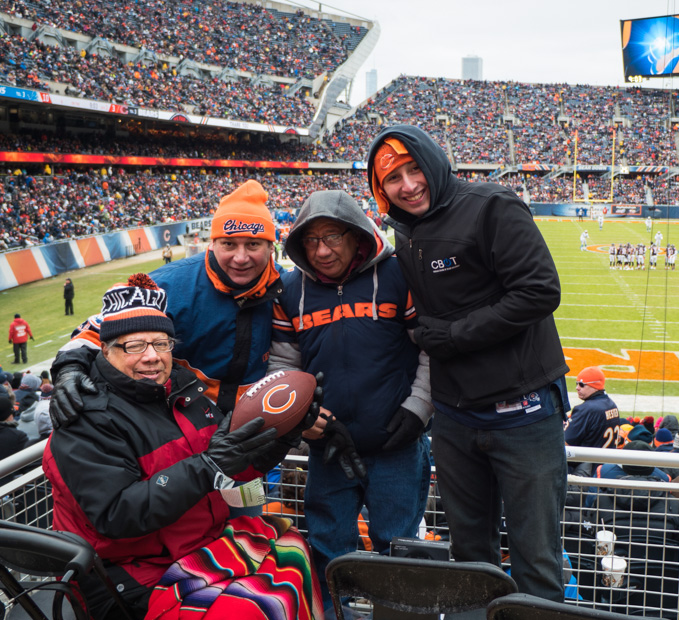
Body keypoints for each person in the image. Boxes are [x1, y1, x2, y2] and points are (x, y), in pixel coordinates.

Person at [367, 124, 570, 602]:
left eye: (414, 169)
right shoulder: (404, 228)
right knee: (470, 556)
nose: (409, 185)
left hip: (522, 412)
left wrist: (455, 335)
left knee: (536, 557)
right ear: (381, 189)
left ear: (434, 162)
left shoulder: (491, 206)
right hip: (456, 418)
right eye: (393, 178)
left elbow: (540, 291)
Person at [42, 273, 320, 619]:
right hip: (129, 574)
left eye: (161, 343)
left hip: (197, 544)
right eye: (134, 345)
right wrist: (208, 467)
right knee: (249, 610)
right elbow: (117, 515)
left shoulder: (185, 391)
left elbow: (231, 466)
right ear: (106, 350)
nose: (151, 357)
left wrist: (285, 436)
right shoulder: (84, 418)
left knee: (295, 549)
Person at [268, 189, 433, 617]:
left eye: (333, 237)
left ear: (357, 234)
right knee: (326, 553)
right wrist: (301, 417)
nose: (322, 251)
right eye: (310, 241)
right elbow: (284, 367)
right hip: (329, 451)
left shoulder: (399, 275)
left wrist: (418, 409)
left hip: (397, 447)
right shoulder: (291, 290)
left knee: (398, 550)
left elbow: (432, 349)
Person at [50, 180, 285, 427]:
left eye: (253, 244)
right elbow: (99, 329)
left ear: (271, 247)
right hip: (182, 425)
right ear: (212, 243)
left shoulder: (286, 286)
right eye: (228, 244)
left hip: (257, 426)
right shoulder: (166, 285)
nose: (240, 257)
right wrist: (70, 368)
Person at [564, 367, 620, 453]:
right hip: (607, 462)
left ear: (595, 386)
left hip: (589, 463)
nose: (577, 388)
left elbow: (565, 443)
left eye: (582, 384)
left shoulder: (586, 409)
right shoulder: (612, 404)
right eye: (577, 384)